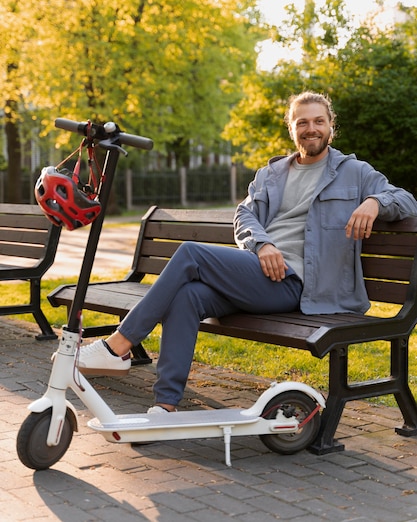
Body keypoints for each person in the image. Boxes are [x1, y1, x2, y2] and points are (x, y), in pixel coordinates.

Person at [78, 91, 417, 413]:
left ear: (331, 126)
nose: (311, 128)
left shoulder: (355, 172)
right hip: (261, 274)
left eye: (318, 121)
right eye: (302, 122)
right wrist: (263, 243)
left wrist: (374, 201)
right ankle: (165, 404)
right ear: (292, 129)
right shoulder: (272, 174)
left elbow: (405, 199)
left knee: (191, 254)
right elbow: (244, 215)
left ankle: (118, 345)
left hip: (300, 284)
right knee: (189, 297)